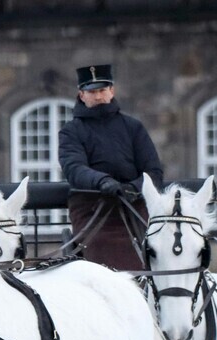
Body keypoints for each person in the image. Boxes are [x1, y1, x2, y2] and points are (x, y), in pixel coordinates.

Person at [58, 64, 164, 271]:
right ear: (81, 95)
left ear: (111, 91)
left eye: (102, 90)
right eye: (92, 91)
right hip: (93, 207)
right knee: (100, 248)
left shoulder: (133, 127)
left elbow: (153, 171)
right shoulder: (71, 131)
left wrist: (133, 187)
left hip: (133, 205)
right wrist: (102, 181)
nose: (98, 97)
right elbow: (74, 168)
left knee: (155, 248)